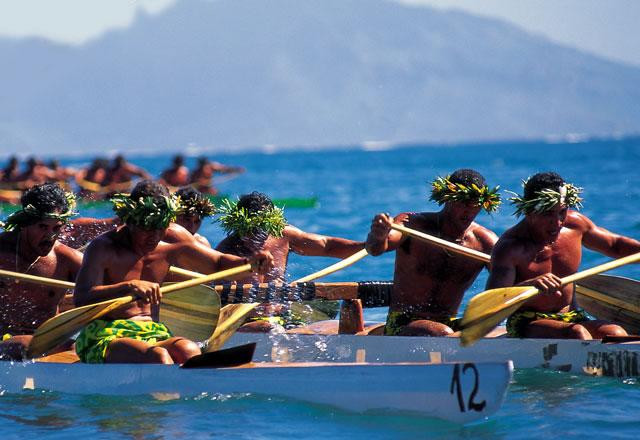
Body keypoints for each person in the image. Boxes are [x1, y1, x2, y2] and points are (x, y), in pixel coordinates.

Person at [73, 180, 273, 364]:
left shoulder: (173, 238)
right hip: (105, 335)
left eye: (161, 228)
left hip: (154, 332)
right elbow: (81, 298)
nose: (155, 236)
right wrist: (128, 287)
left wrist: (249, 262)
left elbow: (217, 263)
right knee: (159, 356)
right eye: (147, 228)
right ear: (130, 220)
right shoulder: (103, 247)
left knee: (188, 349)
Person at [487, 172, 640, 339]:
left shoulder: (575, 226)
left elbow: (615, 245)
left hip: (572, 317)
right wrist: (530, 284)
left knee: (615, 333)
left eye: (562, 212)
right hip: (527, 322)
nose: (558, 222)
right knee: (577, 334)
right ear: (529, 212)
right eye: (547, 214)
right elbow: (493, 302)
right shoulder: (510, 247)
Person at [366, 169, 500, 336]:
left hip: (448, 323)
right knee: (442, 333)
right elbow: (376, 249)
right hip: (402, 323)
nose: (469, 210)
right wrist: (378, 235)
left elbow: (509, 276)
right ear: (446, 198)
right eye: (462, 202)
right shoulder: (413, 224)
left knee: (490, 328)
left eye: (475, 203)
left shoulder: (485, 241)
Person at [215, 191, 365, 331]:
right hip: (244, 322)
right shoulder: (225, 251)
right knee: (268, 329)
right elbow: (223, 304)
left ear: (272, 223)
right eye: (251, 228)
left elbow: (327, 246)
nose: (257, 233)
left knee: (338, 307)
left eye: (263, 227)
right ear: (238, 224)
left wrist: (368, 246)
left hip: (283, 315)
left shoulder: (283, 236)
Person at [0, 183, 83, 359]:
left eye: (56, 228)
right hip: (5, 342)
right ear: (24, 224)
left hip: (48, 342)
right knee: (26, 344)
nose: (50, 236)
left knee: (78, 347)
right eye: (43, 227)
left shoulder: (66, 259)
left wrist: (135, 287)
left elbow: (103, 291)